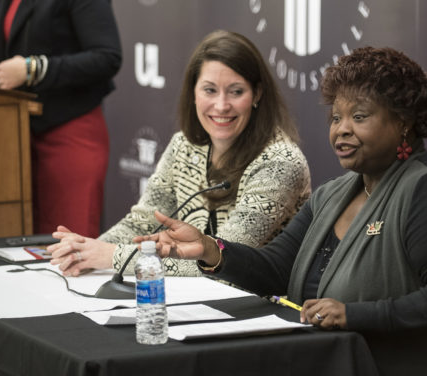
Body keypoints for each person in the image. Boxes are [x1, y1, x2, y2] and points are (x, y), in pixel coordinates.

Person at [138, 47, 427, 376]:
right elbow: (277, 268)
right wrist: (212, 250)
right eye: (336, 117)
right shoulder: (333, 194)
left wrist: (354, 315)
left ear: (404, 123)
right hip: (338, 373)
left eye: (359, 117)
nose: (341, 130)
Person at [48, 30, 311, 277]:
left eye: (236, 92)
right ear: (193, 94)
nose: (221, 105)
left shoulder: (280, 162)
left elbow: (225, 259)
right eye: (210, 90)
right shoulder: (184, 146)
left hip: (265, 307)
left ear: (257, 94)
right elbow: (142, 225)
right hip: (194, 303)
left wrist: (111, 256)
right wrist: (83, 251)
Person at [0, 0, 122, 238]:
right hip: (18, 140)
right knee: (23, 250)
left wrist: (32, 69)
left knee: (70, 248)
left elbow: (107, 57)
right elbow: (14, 52)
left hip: (69, 135)